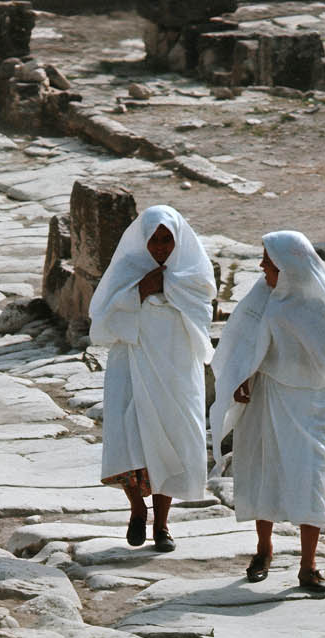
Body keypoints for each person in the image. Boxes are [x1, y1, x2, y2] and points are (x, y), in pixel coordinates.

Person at [209, 230, 325, 595]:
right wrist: (242, 374)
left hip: (308, 401)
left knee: (310, 475)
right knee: (262, 467)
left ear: (288, 268)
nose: (262, 268)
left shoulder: (315, 305)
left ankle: (308, 564)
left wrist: (288, 319)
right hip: (265, 395)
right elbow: (241, 341)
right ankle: (263, 550)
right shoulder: (260, 298)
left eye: (269, 263)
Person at [90, 204, 216, 553]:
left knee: (171, 441)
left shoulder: (192, 272)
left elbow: (204, 311)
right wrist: (140, 292)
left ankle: (162, 524)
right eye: (154, 240)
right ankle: (136, 510)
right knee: (130, 438)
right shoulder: (126, 271)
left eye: (167, 240)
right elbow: (101, 320)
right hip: (131, 365)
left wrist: (171, 287)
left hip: (176, 370)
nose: (161, 248)